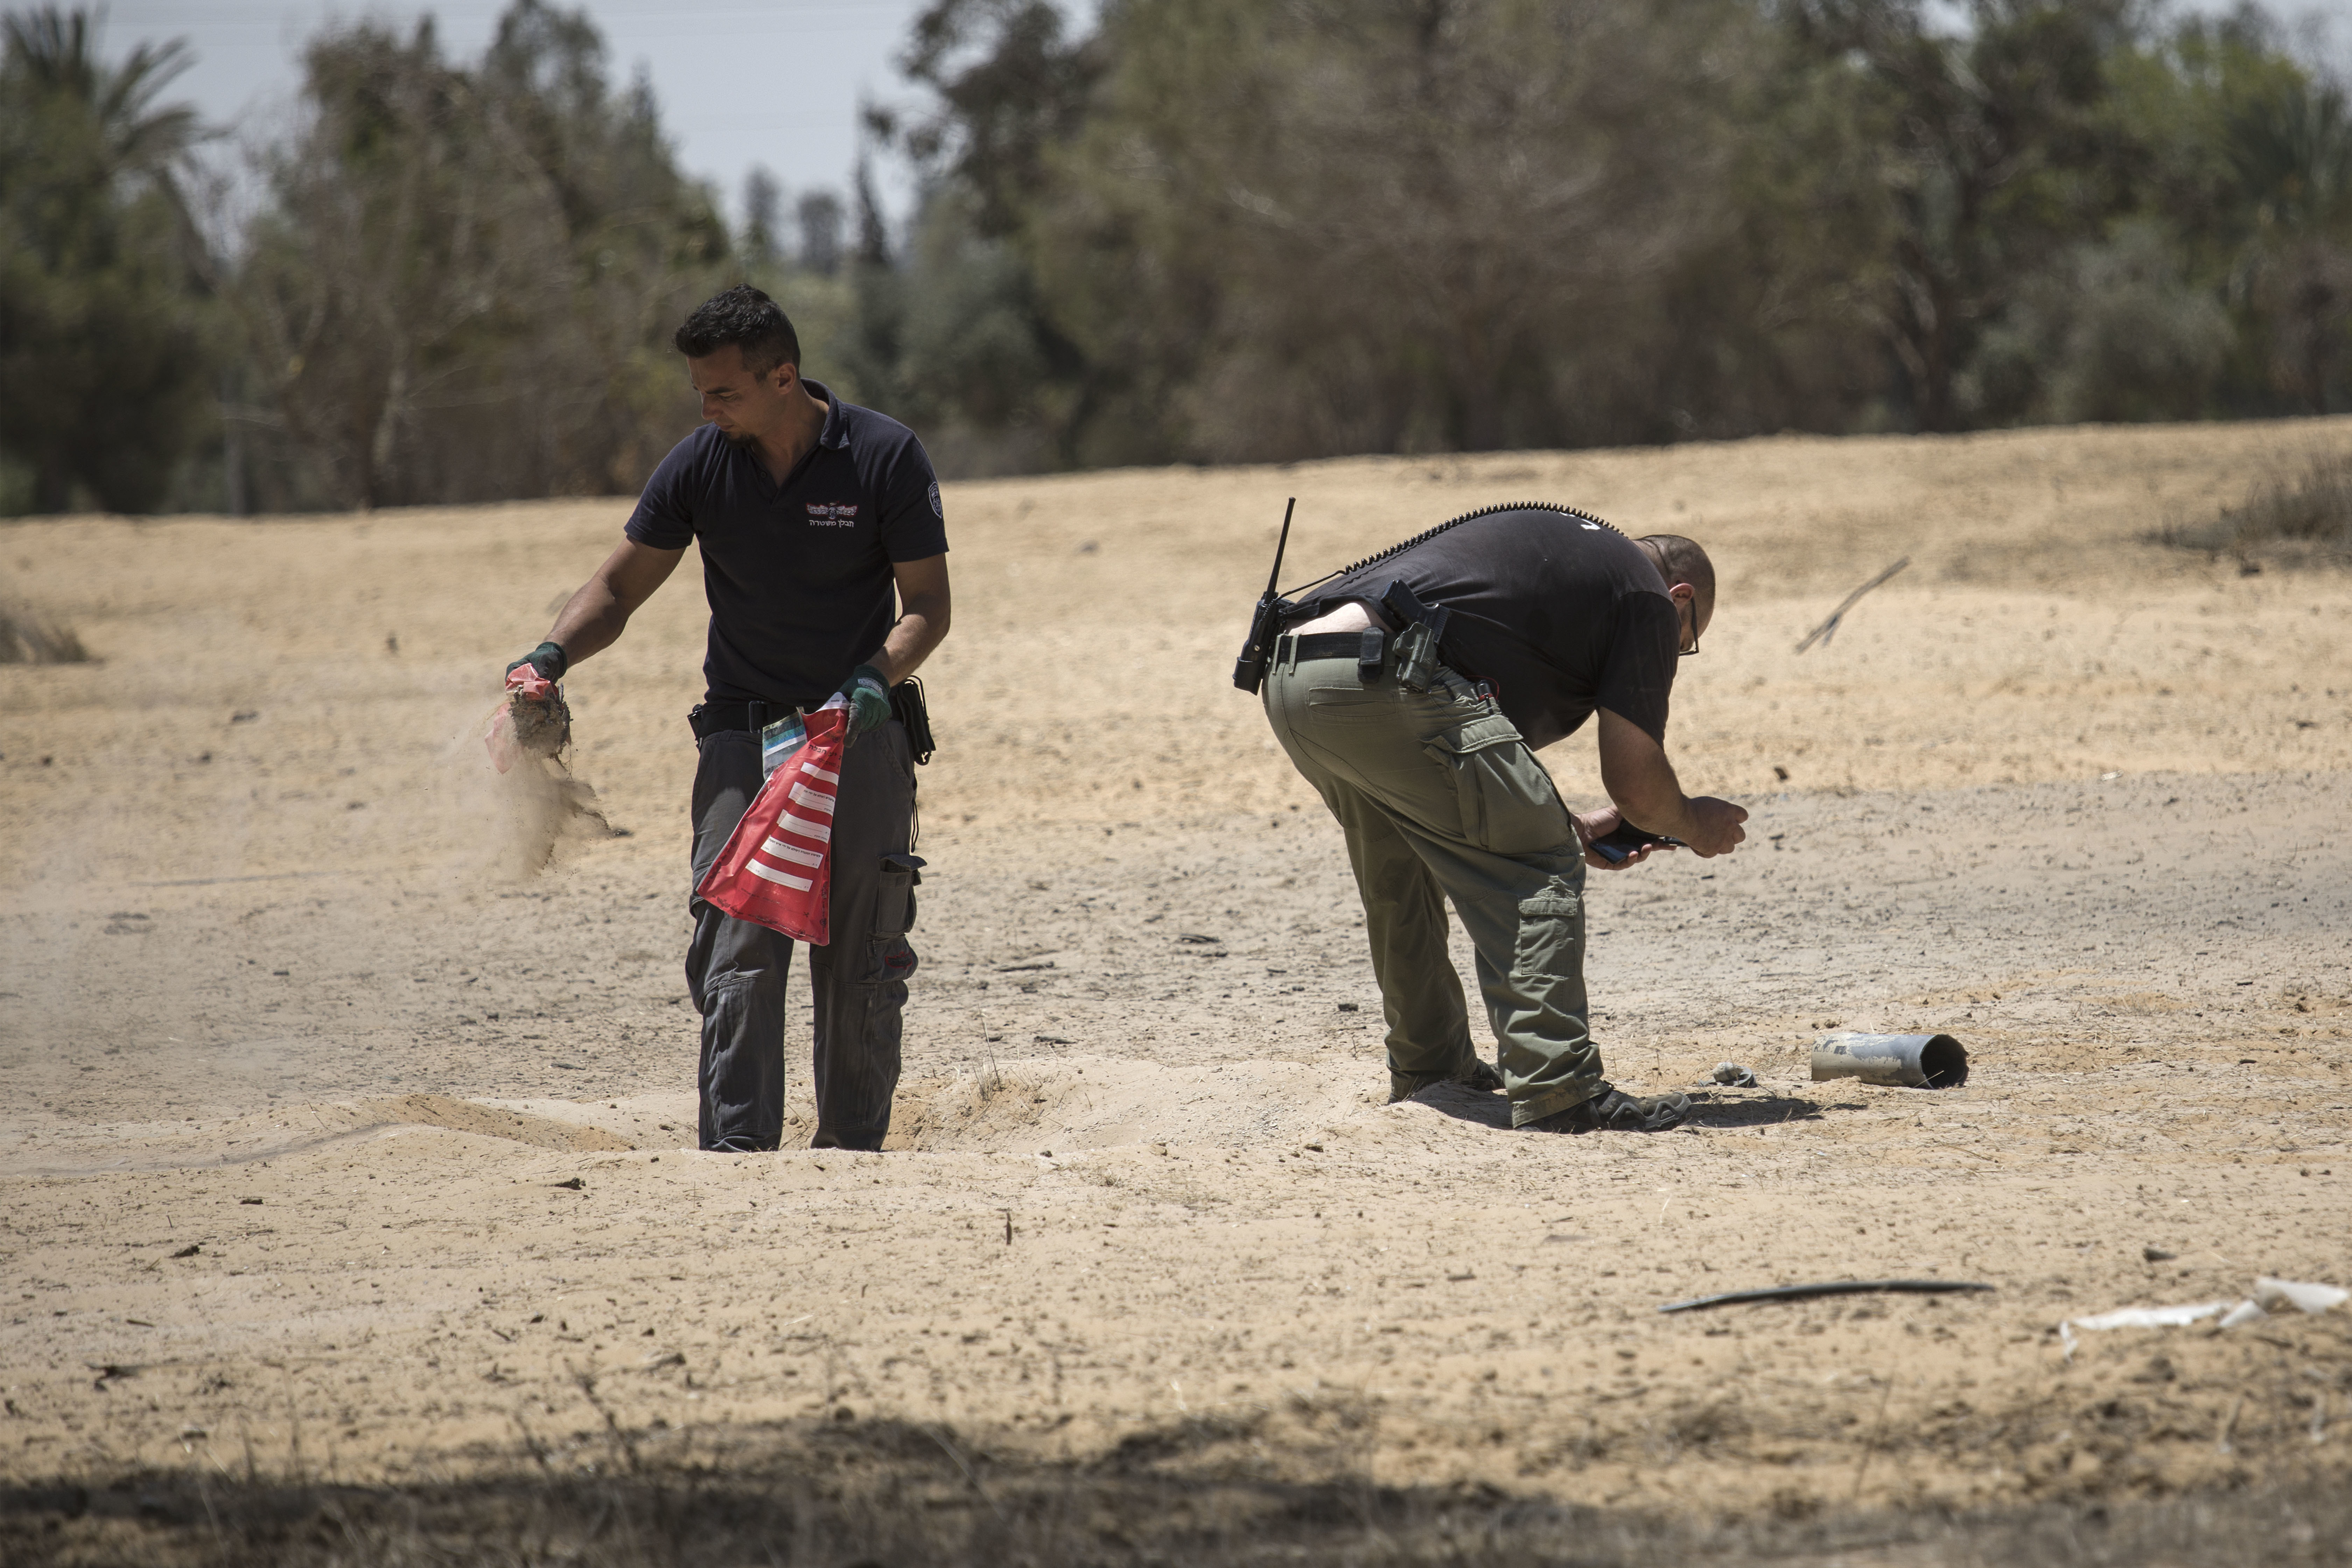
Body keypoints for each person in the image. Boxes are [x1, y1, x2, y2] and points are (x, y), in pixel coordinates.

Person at [505, 285, 950, 1152]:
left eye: (723, 392)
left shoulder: (885, 455)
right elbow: (618, 586)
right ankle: (738, 1155)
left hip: (856, 732)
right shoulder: (701, 464)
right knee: (736, 951)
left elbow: (928, 605)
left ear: (783, 376)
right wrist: (550, 656)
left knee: (863, 953)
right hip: (743, 741)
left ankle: (853, 1153)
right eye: (700, 394)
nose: (706, 409)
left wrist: (874, 674)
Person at [1259, 503, 1744, 1134]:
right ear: (1680, 597)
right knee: (1538, 864)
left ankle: (1431, 1068)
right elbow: (1636, 783)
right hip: (1388, 676)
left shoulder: (1574, 562)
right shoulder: (1645, 596)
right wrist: (1691, 822)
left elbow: (1469, 759)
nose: (1677, 651)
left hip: (1296, 676)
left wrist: (1558, 815)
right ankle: (1559, 1091)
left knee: (1401, 868)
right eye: (1687, 638)